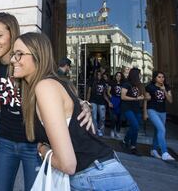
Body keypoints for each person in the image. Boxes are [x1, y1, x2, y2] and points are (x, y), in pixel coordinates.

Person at [11, 32, 139, 190]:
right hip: (97, 173)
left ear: (38, 56)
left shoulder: (45, 86)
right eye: (13, 54)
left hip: (95, 177)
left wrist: (41, 149)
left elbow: (67, 164)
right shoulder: (48, 85)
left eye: (19, 54)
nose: (12, 60)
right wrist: (85, 104)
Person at [0, 12, 93, 191]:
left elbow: (59, 87)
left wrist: (84, 104)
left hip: (34, 144)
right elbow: (1, 101)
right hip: (5, 140)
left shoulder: (26, 63)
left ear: (12, 34)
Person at [144, 71, 174, 161]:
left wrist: (164, 90)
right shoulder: (150, 87)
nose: (161, 79)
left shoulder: (167, 87)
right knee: (162, 129)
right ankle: (165, 152)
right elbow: (146, 100)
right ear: (155, 78)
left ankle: (153, 150)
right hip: (152, 110)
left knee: (158, 131)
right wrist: (145, 112)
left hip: (162, 112)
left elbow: (170, 100)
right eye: (159, 77)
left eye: (163, 77)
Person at [121, 68, 145, 155]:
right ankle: (133, 146)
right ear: (135, 75)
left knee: (135, 127)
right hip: (127, 107)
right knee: (135, 126)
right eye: (139, 74)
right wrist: (136, 98)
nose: (141, 75)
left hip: (136, 108)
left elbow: (141, 95)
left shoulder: (138, 85)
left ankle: (126, 141)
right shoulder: (126, 84)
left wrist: (142, 96)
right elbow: (123, 97)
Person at [87, 70, 111, 136]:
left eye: (100, 75)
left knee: (102, 117)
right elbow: (89, 92)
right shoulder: (92, 81)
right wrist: (87, 101)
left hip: (101, 101)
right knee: (94, 117)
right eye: (97, 74)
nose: (99, 76)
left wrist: (109, 102)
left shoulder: (103, 82)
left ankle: (100, 129)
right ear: (95, 75)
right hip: (93, 101)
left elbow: (104, 94)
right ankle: (95, 130)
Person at [108, 72, 124, 138]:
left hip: (121, 102)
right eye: (117, 75)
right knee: (113, 118)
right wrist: (111, 97)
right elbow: (108, 91)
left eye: (120, 76)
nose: (118, 77)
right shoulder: (112, 82)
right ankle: (112, 130)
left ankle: (117, 131)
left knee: (120, 118)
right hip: (113, 101)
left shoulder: (123, 84)